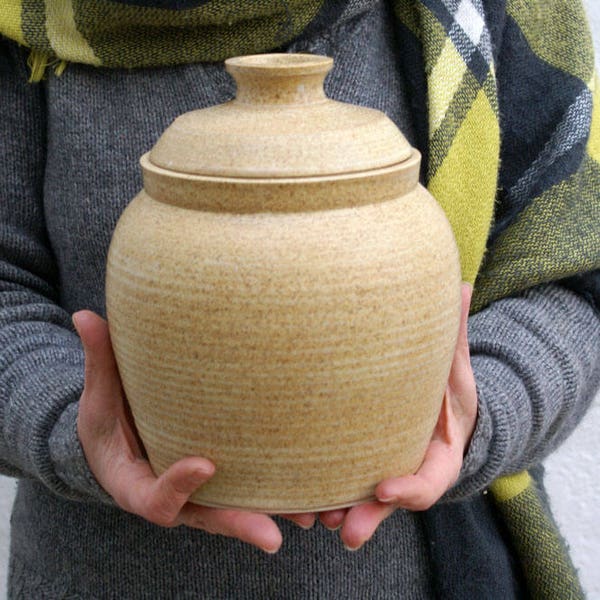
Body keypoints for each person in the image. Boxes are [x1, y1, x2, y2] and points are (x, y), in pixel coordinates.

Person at [1, 0, 599, 597]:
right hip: (95, 576)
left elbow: (573, 272)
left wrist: (471, 414)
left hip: (435, 573)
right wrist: (73, 426)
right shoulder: (23, 18)